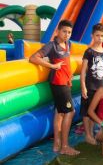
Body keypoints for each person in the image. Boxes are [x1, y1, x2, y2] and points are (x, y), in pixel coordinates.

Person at [29, 20, 80, 155]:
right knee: (70, 112)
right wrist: (52, 66)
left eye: (69, 32)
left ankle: (57, 144)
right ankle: (65, 146)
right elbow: (33, 58)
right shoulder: (52, 45)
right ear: (57, 31)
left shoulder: (68, 44)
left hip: (65, 82)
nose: (67, 35)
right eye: (64, 31)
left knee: (59, 112)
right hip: (59, 83)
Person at [80, 23, 103, 145]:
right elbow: (83, 71)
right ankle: (87, 134)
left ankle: (91, 132)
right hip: (90, 86)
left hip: (101, 88)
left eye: (102, 36)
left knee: (95, 111)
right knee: (87, 112)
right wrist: (83, 87)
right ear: (92, 36)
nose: (100, 38)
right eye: (97, 35)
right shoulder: (89, 52)